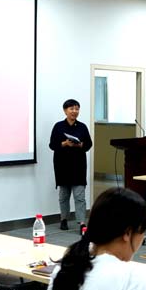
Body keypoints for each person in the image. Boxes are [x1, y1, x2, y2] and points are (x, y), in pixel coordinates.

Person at [49, 99, 93, 231]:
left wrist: (80, 144)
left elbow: (89, 144)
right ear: (65, 110)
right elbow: (52, 145)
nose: (74, 111)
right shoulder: (58, 126)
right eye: (71, 109)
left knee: (79, 196)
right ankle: (64, 219)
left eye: (77, 109)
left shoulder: (82, 127)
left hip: (78, 166)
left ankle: (82, 223)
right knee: (64, 195)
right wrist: (64, 143)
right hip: (62, 165)